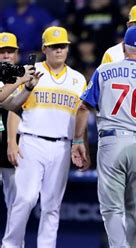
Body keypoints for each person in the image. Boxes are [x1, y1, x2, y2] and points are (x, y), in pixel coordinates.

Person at [71, 26, 136, 248]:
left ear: (123, 47)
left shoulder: (104, 70)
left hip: (111, 142)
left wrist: (78, 141)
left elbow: (83, 108)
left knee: (112, 208)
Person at [2, 26, 86, 248]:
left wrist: (79, 142)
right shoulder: (31, 71)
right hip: (31, 141)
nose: (59, 50)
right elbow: (14, 108)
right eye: (54, 47)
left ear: (68, 49)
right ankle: (11, 245)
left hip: (62, 145)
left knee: (52, 205)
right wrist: (12, 141)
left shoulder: (78, 79)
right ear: (44, 49)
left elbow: (81, 115)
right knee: (25, 199)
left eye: (62, 46)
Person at [0, 31, 42, 246]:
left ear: (17, 53)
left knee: (16, 201)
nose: (6, 55)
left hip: (8, 145)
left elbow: (12, 105)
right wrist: (20, 79)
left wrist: (28, 86)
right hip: (6, 143)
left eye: (10, 51)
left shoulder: (17, 76)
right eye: (2, 51)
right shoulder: (16, 75)